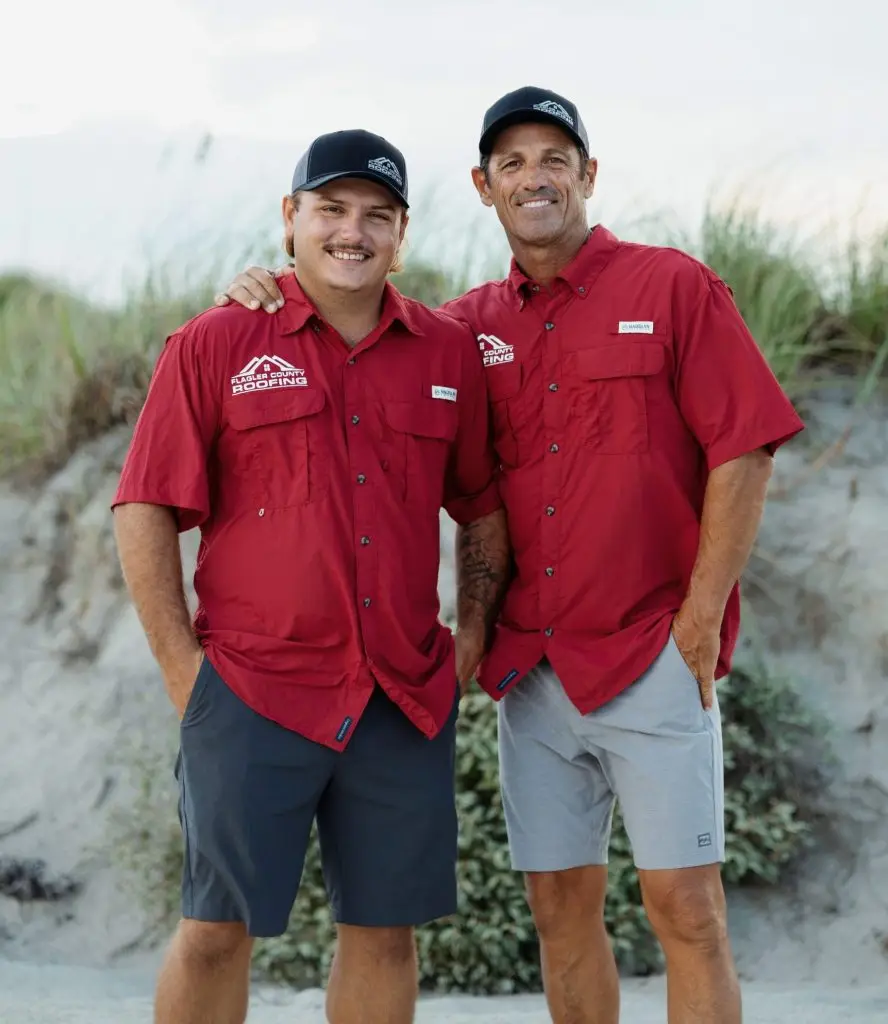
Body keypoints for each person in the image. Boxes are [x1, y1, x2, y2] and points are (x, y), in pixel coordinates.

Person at [216, 88, 805, 1024]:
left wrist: (698, 619)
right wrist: (267, 289)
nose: (537, 178)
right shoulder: (461, 329)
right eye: (514, 164)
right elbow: (353, 329)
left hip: (653, 652)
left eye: (555, 159)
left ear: (588, 174)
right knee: (559, 912)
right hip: (533, 672)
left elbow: (746, 450)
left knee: (686, 910)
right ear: (485, 186)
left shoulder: (673, 286)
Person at [111, 128, 509, 1024]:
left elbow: (481, 504)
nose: (353, 233)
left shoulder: (447, 355)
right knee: (216, 928)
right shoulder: (215, 343)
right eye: (331, 210)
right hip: (253, 690)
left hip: (400, 697)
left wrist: (472, 631)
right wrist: (186, 672)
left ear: (402, 235)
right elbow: (144, 507)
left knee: (386, 930)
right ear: (291, 219)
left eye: (378, 216)